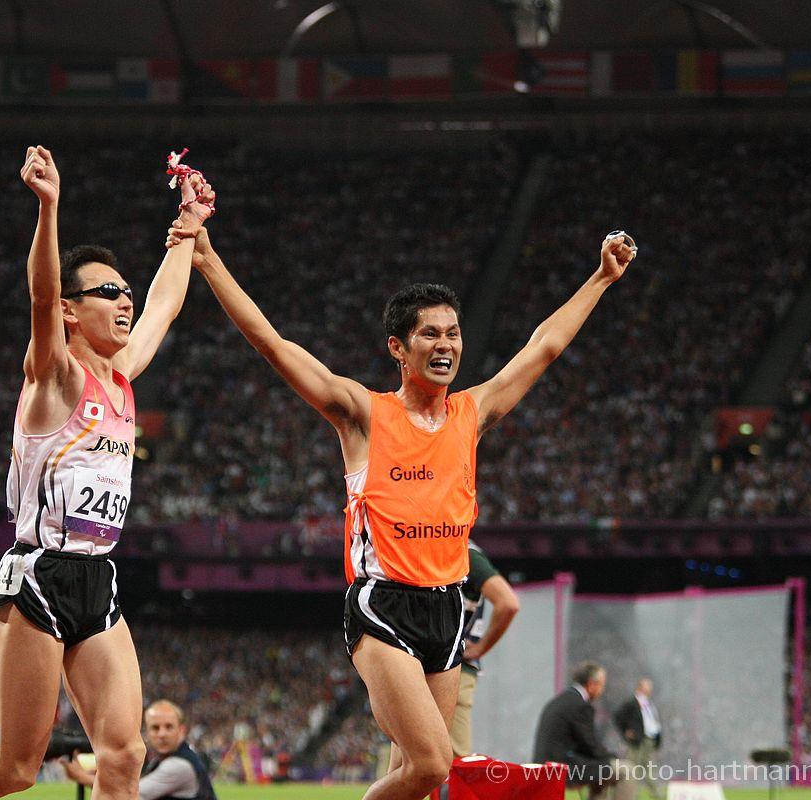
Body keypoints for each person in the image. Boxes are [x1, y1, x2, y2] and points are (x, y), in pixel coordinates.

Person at [166, 214, 635, 799]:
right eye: (431, 334)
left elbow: (545, 347)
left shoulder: (472, 413)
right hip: (384, 603)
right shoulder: (362, 414)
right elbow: (273, 344)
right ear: (399, 346)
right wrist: (207, 259)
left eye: (454, 333)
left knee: (411, 779)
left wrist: (600, 279)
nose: (446, 345)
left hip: (447, 610)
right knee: (433, 765)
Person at [0, 145, 214, 800]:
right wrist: (49, 207)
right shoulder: (55, 378)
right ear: (69, 309)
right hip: (39, 575)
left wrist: (189, 228)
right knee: (17, 769)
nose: (125, 302)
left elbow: (166, 306)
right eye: (109, 292)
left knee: (124, 754)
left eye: (127, 292)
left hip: (97, 575)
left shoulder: (123, 376)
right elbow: (40, 292)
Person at [64, 700, 216, 800]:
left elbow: (130, 794)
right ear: (147, 733)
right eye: (155, 728)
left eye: (169, 727)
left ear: (182, 730)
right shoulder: (162, 760)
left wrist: (83, 777)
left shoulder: (178, 766)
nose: (161, 734)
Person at [450, 541, 519, 757]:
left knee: (451, 761)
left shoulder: (464, 552)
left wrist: (479, 648)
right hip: (440, 665)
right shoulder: (450, 547)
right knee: (418, 759)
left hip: (452, 667)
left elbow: (508, 603)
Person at [533, 662, 632, 800]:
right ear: (592, 684)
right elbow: (590, 745)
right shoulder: (580, 705)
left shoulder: (560, 700)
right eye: (602, 685)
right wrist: (612, 758)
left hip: (545, 765)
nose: (602, 690)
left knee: (602, 770)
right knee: (626, 770)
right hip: (561, 768)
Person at [614, 679, 663, 800]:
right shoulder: (632, 703)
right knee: (632, 768)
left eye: (649, 688)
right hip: (637, 741)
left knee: (649, 768)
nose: (648, 690)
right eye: (646, 687)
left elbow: (652, 722)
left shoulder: (649, 704)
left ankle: (656, 794)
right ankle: (629, 794)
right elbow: (618, 716)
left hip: (649, 740)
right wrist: (626, 731)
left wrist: (657, 738)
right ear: (639, 688)